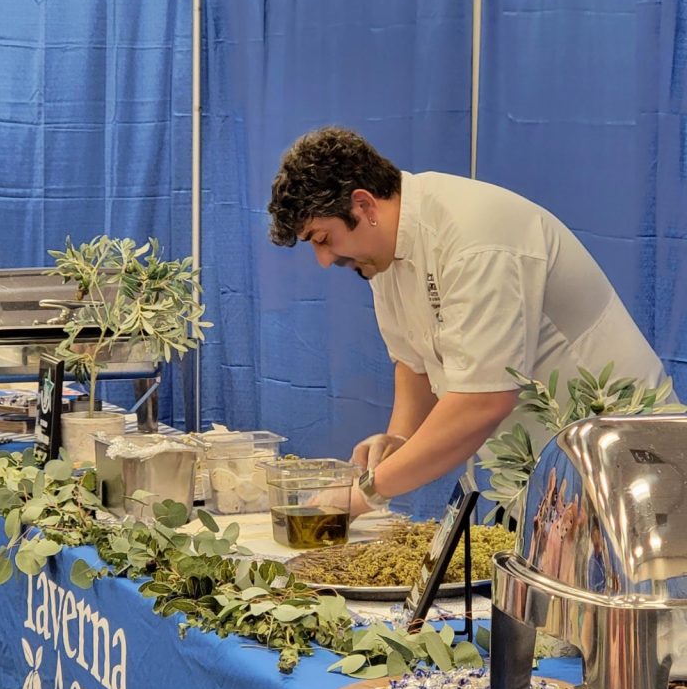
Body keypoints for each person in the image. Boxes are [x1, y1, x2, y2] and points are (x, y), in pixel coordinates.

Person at [267, 126, 672, 518]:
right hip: (546, 477)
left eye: (322, 239)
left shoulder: (473, 238)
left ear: (364, 206)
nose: (323, 260)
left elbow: (482, 401)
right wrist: (399, 443)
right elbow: (415, 363)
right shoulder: (382, 256)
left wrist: (362, 494)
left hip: (629, 465)